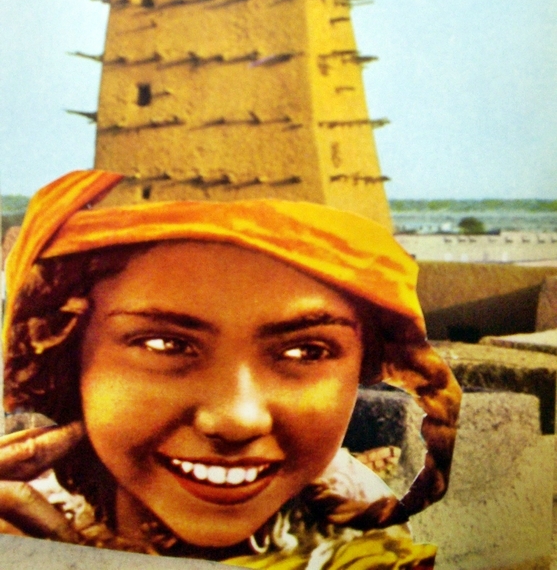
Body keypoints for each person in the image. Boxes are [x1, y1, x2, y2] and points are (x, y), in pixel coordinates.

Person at [1, 170, 462, 568]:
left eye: (305, 352)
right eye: (165, 345)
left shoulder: (366, 539)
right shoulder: (21, 524)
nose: (237, 418)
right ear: (69, 359)